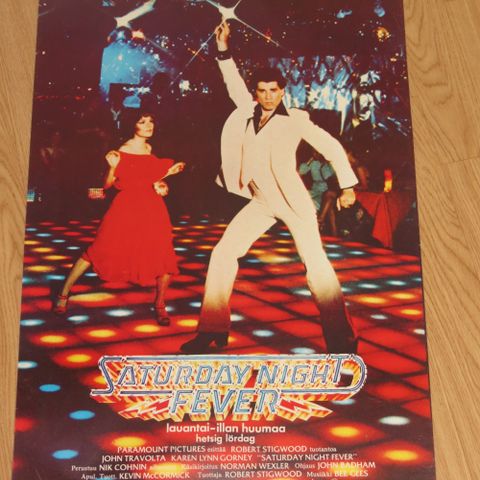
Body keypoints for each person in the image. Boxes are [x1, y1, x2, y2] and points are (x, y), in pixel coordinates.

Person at [181, 21, 358, 354]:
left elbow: (331, 146)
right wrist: (223, 48)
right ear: (256, 92)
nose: (267, 96)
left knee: (316, 268)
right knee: (222, 253)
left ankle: (343, 342)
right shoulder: (247, 111)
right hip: (261, 201)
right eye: (261, 90)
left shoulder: (296, 119)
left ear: (282, 91)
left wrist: (348, 185)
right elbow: (232, 80)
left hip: (293, 203)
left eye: (273, 90)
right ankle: (212, 330)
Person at [53, 112, 185, 325]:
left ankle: (160, 304)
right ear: (132, 125)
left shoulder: (150, 149)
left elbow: (147, 178)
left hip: (153, 208)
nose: (149, 125)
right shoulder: (120, 150)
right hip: (125, 207)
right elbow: (105, 186)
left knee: (163, 254)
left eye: (151, 121)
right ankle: (63, 293)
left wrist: (165, 177)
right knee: (98, 249)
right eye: (142, 122)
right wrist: (113, 166)